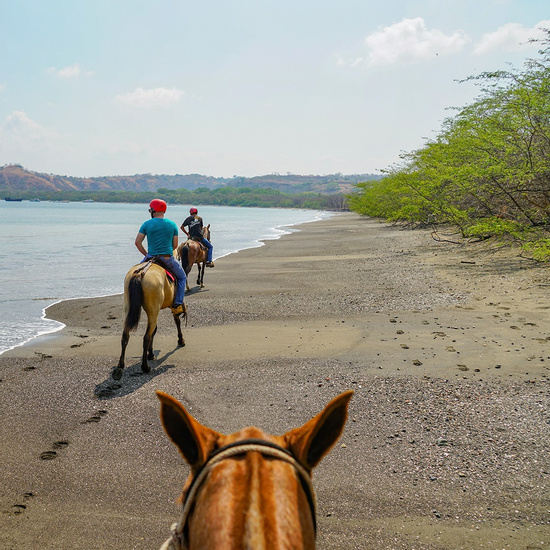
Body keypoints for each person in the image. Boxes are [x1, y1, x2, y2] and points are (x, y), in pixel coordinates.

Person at [134, 199, 187, 315]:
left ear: (153, 210)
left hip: (150, 257)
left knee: (134, 274)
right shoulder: (172, 225)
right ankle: (178, 304)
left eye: (150, 209)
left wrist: (147, 254)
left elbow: (137, 242)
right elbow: (175, 245)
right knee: (182, 278)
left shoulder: (146, 224)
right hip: (167, 259)